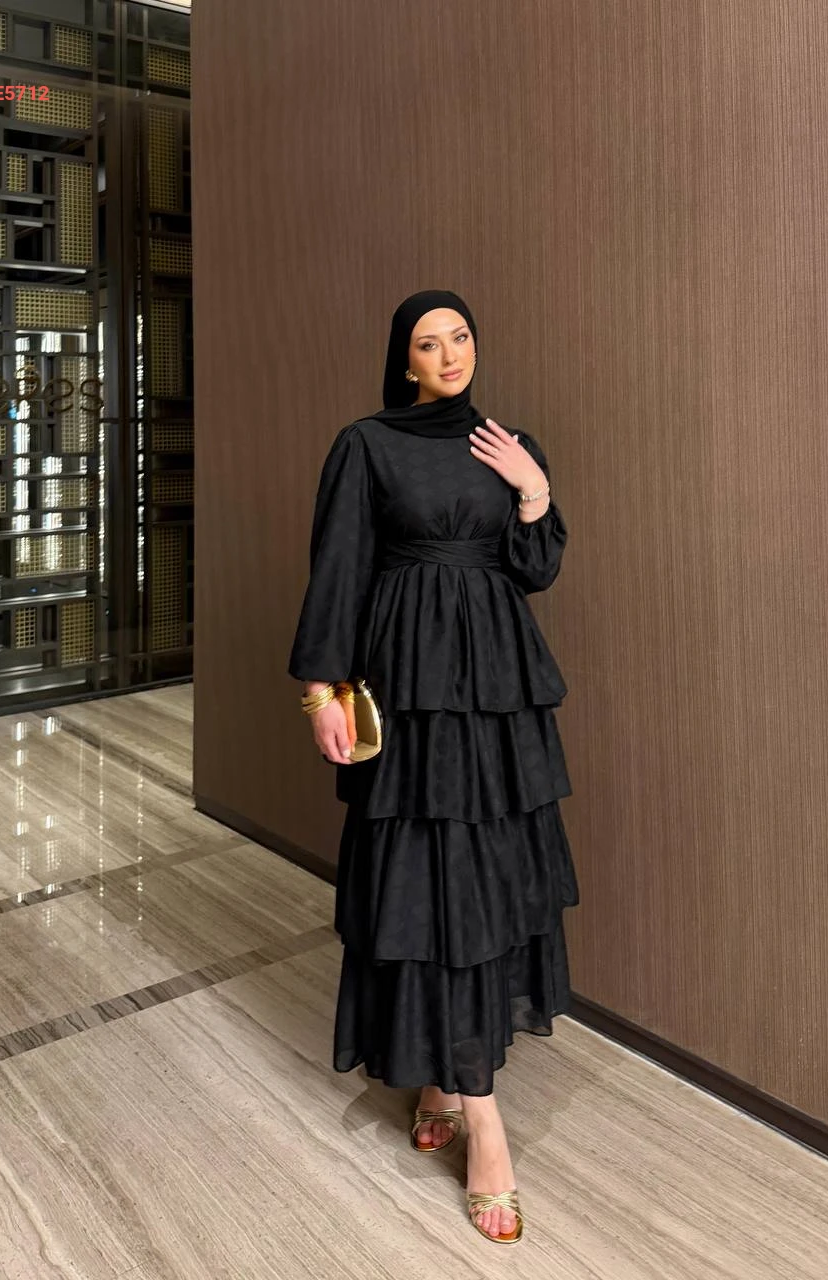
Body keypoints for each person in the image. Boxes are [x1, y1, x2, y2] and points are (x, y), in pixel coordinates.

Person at [288, 289, 579, 1245]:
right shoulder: (367, 444)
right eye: (428, 343)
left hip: (494, 691)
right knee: (423, 878)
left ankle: (451, 1083)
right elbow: (338, 567)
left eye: (460, 338)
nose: (449, 355)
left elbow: (533, 569)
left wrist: (532, 488)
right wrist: (322, 692)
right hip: (409, 685)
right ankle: (481, 1122)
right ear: (403, 359)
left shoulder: (510, 443)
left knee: (482, 881)